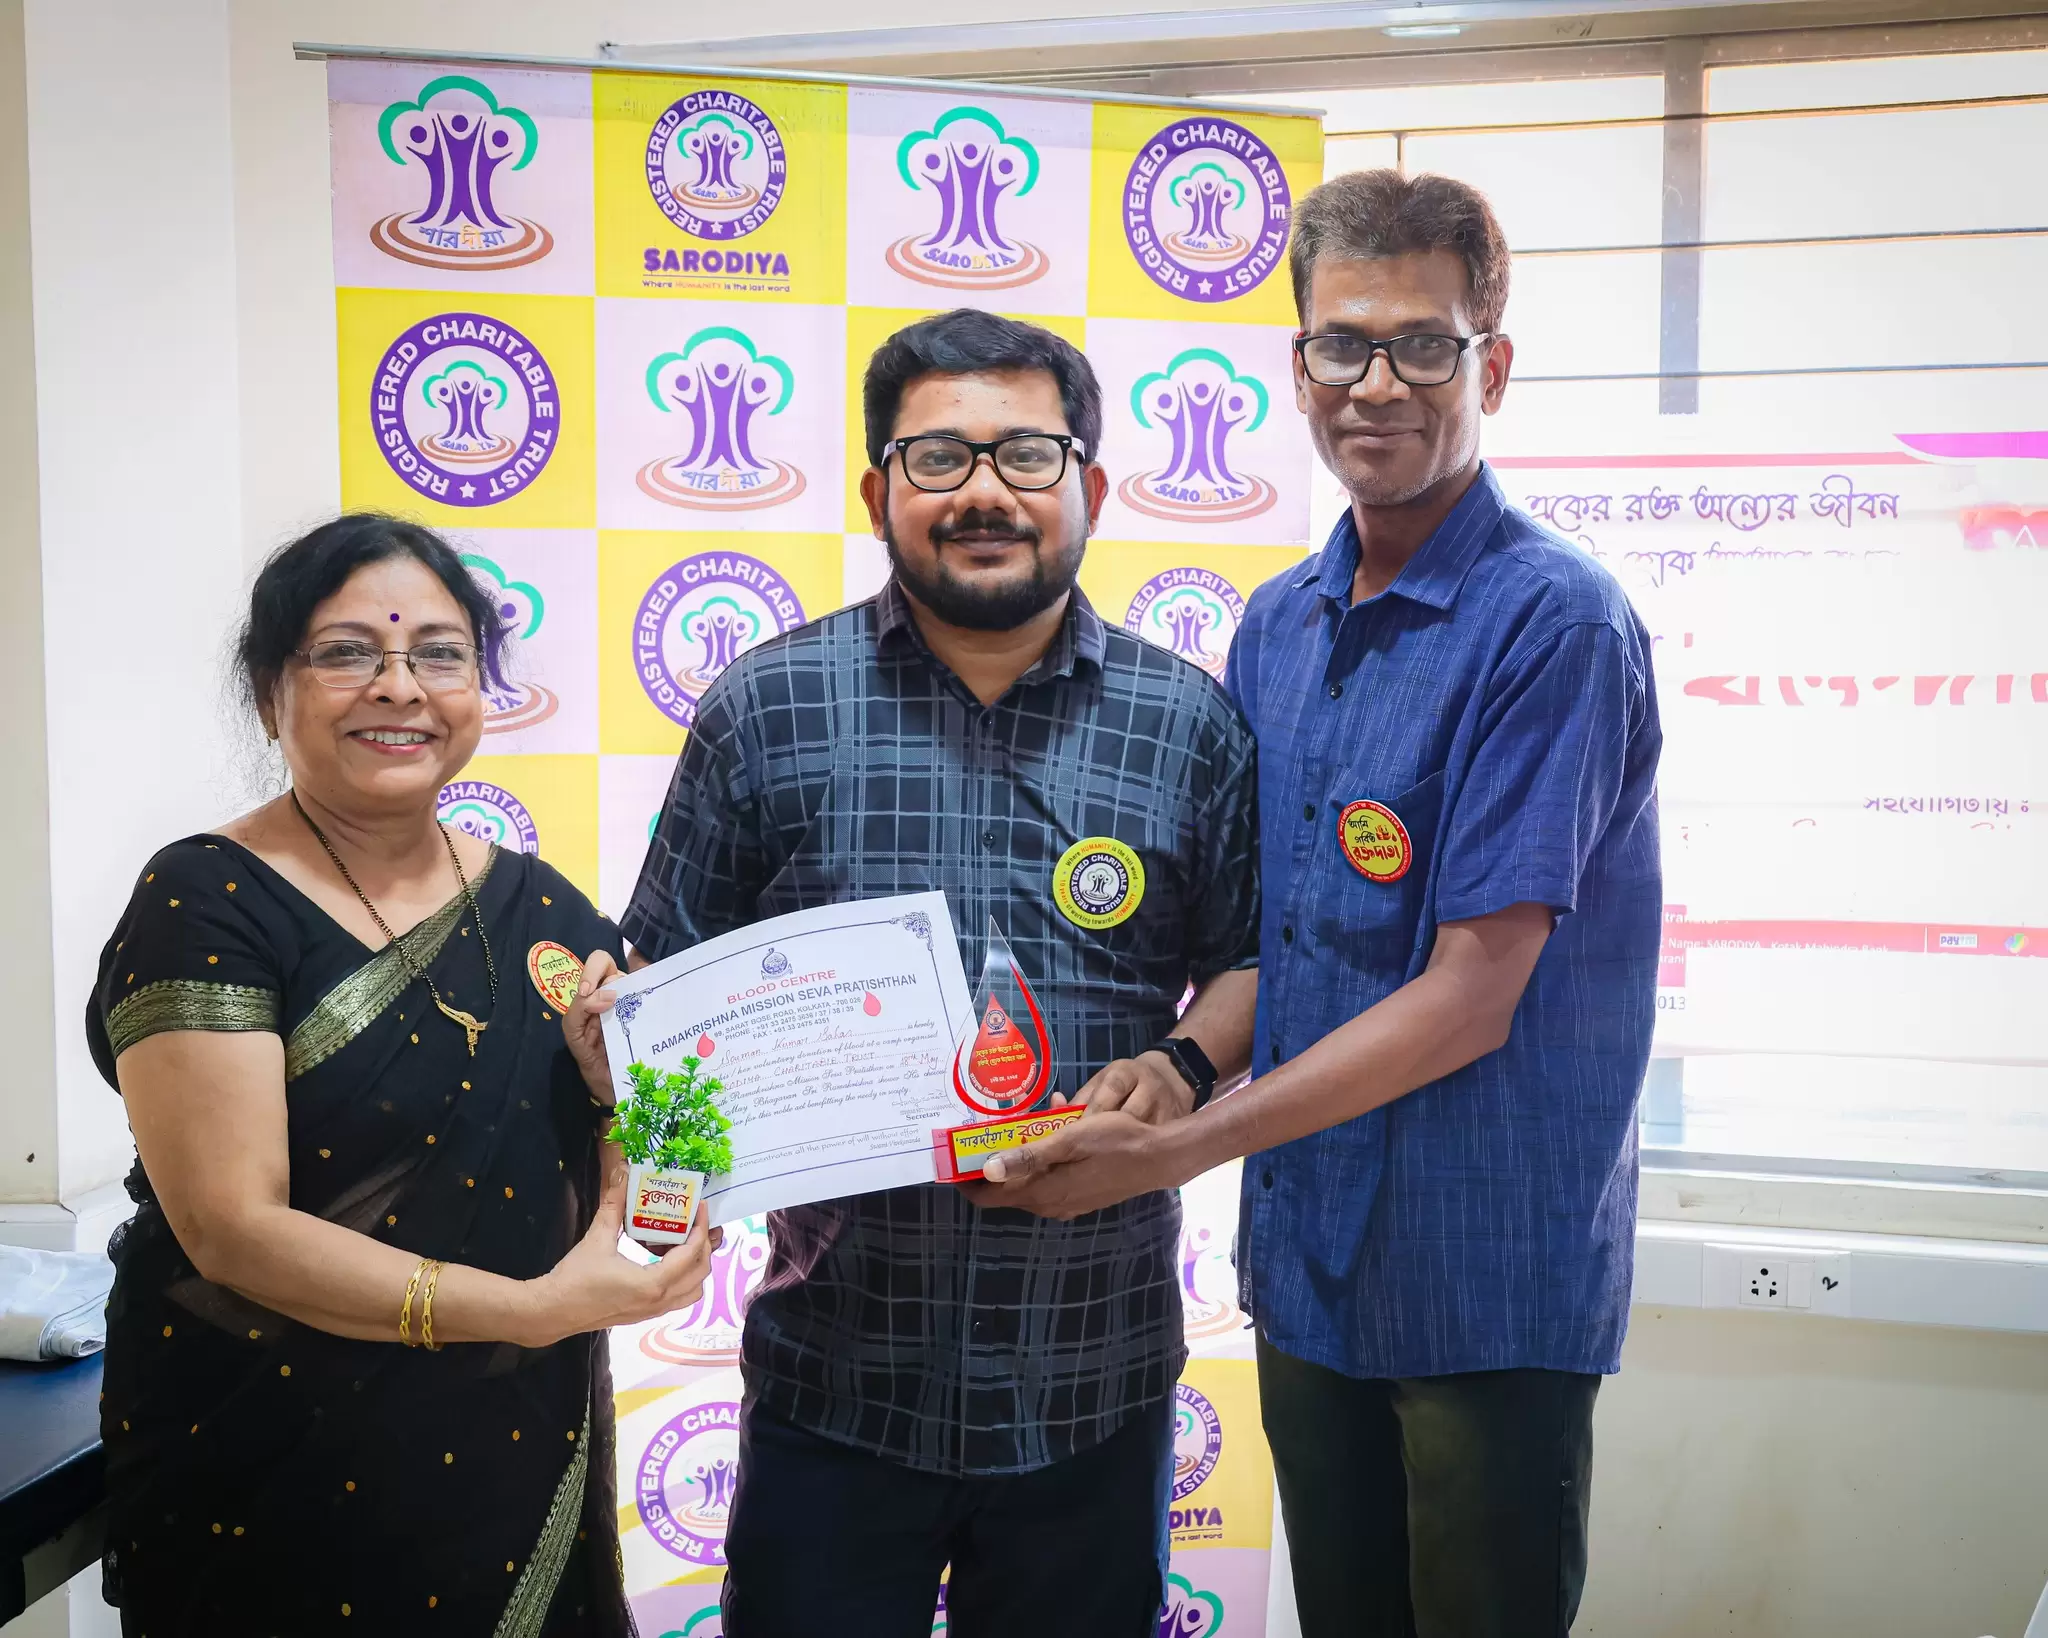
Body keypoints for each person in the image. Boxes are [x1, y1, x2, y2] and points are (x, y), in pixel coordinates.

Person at [976, 169, 1664, 1636]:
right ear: (1296, 368)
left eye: (1423, 345)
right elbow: (1283, 943)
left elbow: (1470, 997)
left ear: (1491, 366)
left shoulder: (1555, 622)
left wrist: (1176, 1153)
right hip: (1312, 1261)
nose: (1377, 384)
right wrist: (1178, 1066)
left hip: (1485, 1282)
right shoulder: (1278, 625)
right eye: (1341, 344)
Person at [581, 308, 1260, 1637]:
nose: (984, 491)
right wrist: (624, 1055)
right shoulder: (767, 707)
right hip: (837, 1375)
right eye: (939, 457)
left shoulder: (1189, 722)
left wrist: (1181, 1068)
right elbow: (664, 982)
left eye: (1027, 453)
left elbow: (1246, 962)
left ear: (1090, 485)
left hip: (1094, 1372)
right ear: (876, 492)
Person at [89, 514, 714, 1637]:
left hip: (513, 1457)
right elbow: (230, 1228)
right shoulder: (205, 904)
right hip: (272, 1478)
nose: (399, 686)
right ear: (268, 691)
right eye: (346, 652)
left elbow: (657, 1140)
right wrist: (532, 1312)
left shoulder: (546, 909)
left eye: (439, 653)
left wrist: (617, 1096)